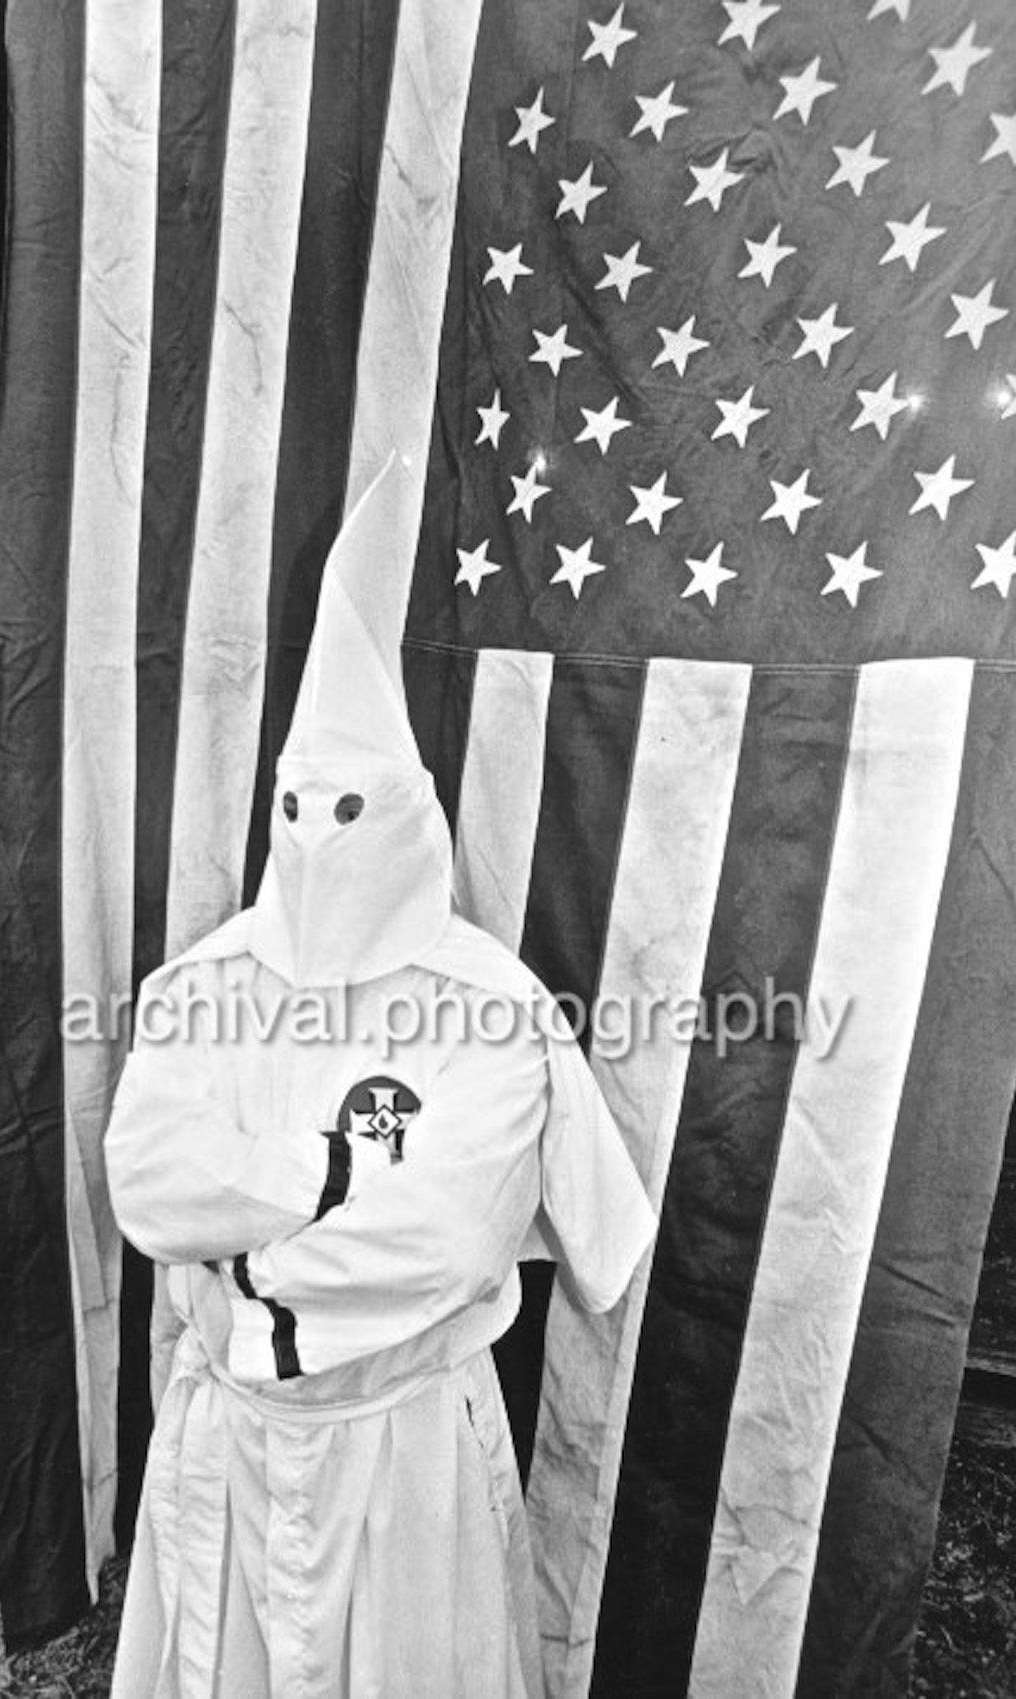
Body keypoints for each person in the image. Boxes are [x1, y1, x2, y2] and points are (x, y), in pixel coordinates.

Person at [104, 458, 655, 1697]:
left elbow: (444, 1241)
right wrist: (332, 1175)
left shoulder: (491, 1009)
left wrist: (245, 1243)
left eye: (351, 807)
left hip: (400, 1451)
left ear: (411, 815)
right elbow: (148, 1183)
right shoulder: (201, 986)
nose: (318, 834)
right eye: (297, 806)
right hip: (227, 1446)